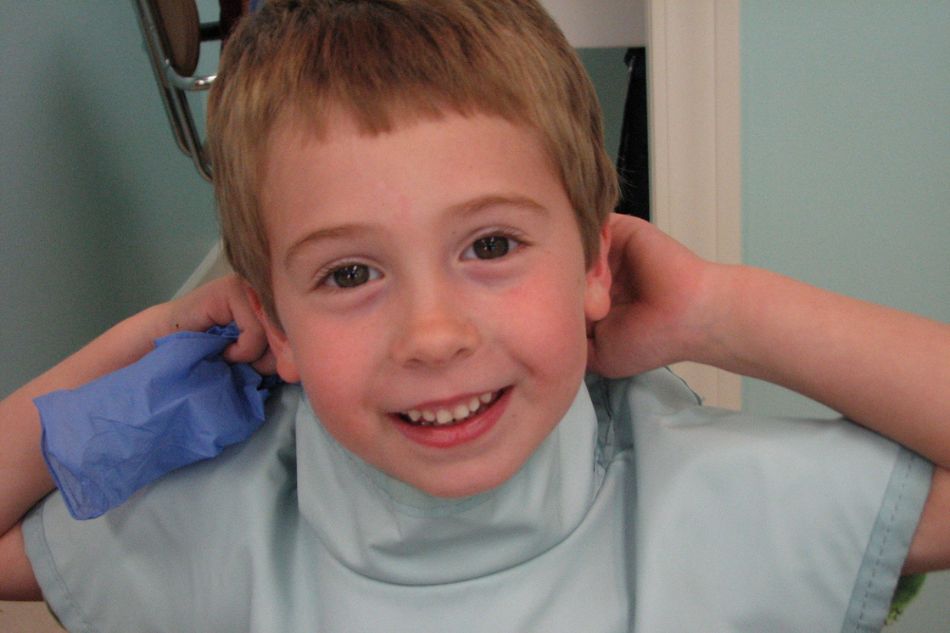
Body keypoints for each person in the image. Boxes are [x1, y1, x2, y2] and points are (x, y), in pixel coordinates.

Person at [1, 0, 948, 630]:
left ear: (592, 262)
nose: (433, 334)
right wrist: (159, 341)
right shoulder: (220, 526)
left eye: (490, 247)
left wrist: (714, 310)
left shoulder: (711, 501)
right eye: (349, 273)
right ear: (273, 327)